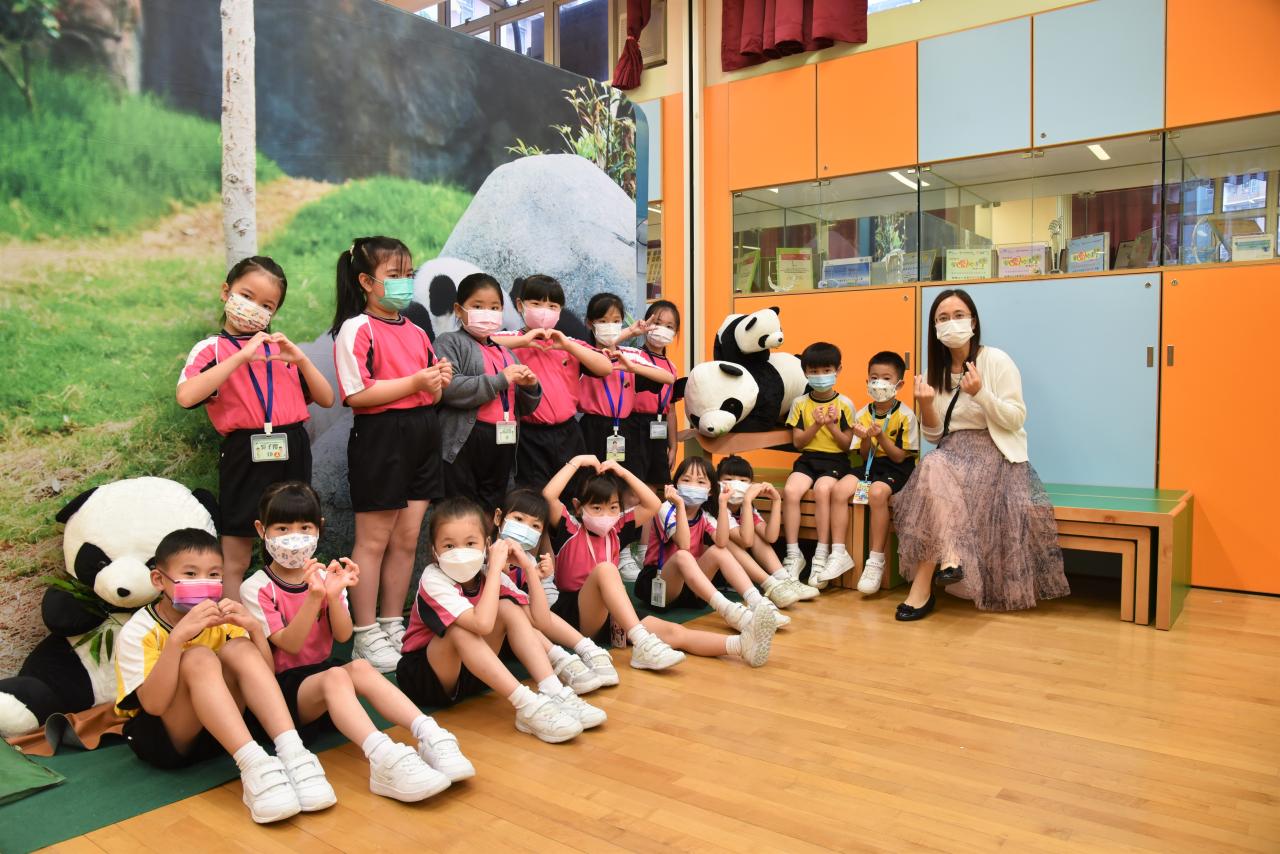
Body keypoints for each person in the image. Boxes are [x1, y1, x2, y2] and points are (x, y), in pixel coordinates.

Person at [240, 482, 475, 801]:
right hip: (282, 696)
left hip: (323, 680)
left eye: (304, 528)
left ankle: (430, 735)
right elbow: (290, 645)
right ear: (261, 530)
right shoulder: (256, 587)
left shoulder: (326, 576)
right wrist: (315, 598)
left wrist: (334, 595)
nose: (294, 537)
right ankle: (384, 758)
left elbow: (342, 635)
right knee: (336, 675)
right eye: (282, 528)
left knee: (361, 667)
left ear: (319, 528)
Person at [114, 528, 334, 824]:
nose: (203, 582)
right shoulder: (139, 631)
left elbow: (265, 680)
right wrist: (177, 640)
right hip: (168, 741)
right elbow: (153, 705)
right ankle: (255, 767)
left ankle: (295, 754)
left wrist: (254, 628)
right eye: (190, 574)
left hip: (222, 734)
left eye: (214, 574)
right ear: (158, 579)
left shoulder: (223, 619)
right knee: (198, 657)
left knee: (240, 647)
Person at [893, 289, 1068, 620]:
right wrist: (926, 405)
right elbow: (935, 436)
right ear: (934, 328)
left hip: (996, 456)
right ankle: (949, 558)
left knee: (933, 474)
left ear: (973, 322)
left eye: (959, 315)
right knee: (933, 464)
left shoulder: (996, 360)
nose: (952, 323)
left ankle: (923, 586)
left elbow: (1016, 418)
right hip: (950, 455)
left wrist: (981, 394)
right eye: (943, 318)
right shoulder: (934, 374)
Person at [177, 256, 335, 600]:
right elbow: (187, 396)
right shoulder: (211, 348)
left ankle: (289, 615)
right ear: (226, 292)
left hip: (292, 447)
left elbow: (325, 398)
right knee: (236, 550)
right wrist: (239, 356)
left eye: (267, 305)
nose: (254, 309)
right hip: (244, 451)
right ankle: (233, 622)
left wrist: (301, 359)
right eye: (247, 297)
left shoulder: (280, 351)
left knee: (294, 545)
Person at [331, 236, 452, 671]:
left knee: (406, 538)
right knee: (374, 540)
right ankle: (364, 633)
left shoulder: (418, 331)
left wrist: (438, 381)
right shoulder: (356, 328)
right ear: (366, 282)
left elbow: (432, 393)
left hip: (423, 435)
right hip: (381, 436)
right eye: (394, 275)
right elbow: (356, 393)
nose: (405, 283)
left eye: (409, 274)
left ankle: (391, 622)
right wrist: (417, 382)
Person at [395, 497, 601, 743]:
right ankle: (527, 706)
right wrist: (494, 568)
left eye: (470, 543)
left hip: (473, 672)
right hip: (427, 677)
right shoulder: (433, 579)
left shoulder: (488, 575)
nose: (460, 552)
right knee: (459, 629)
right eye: (449, 546)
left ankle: (554, 691)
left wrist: (528, 567)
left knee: (508, 608)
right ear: (434, 551)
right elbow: (481, 625)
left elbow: (541, 621)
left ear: (487, 545)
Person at [545, 457, 777, 668]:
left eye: (613, 507)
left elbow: (652, 503)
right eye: (597, 508)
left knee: (674, 632)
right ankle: (642, 643)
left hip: (613, 613)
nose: (606, 514)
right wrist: (577, 461)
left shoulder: (617, 529)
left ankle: (741, 645)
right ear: (578, 507)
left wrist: (622, 472)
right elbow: (548, 496)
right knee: (606, 570)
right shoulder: (570, 528)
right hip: (575, 613)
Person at [635, 457, 788, 630]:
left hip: (691, 586)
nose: (693, 486)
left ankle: (758, 603)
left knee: (719, 550)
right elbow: (684, 544)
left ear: (709, 491)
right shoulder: (666, 509)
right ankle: (728, 610)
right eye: (686, 480)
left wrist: (722, 504)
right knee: (683, 556)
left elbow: (722, 542)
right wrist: (679, 505)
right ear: (676, 485)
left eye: (701, 482)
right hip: (661, 585)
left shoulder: (705, 515)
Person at [434, 273, 542, 512]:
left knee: (493, 508)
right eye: (477, 306)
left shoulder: (505, 352)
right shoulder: (449, 342)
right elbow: (449, 388)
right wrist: (500, 380)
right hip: (465, 442)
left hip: (503, 440)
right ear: (458, 310)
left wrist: (530, 387)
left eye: (494, 307)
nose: (487, 313)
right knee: (460, 511)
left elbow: (523, 407)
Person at [493, 488, 618, 691]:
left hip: (527, 634)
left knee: (525, 608)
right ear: (499, 517)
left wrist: (533, 574)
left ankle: (588, 650)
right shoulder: (483, 557)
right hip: (496, 638)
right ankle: (562, 660)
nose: (525, 528)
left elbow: (542, 617)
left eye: (535, 526)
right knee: (515, 608)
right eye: (518, 519)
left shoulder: (528, 560)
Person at [498, 274, 615, 491]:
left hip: (568, 433)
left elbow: (605, 367)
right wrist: (523, 341)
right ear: (520, 305)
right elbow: (484, 344)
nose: (544, 311)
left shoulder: (569, 344)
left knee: (574, 492)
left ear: (560, 311)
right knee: (535, 497)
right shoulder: (511, 340)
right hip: (528, 436)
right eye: (536, 304)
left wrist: (568, 346)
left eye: (552, 306)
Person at [817, 351, 919, 592]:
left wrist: (880, 436)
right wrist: (865, 439)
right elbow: (864, 456)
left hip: (897, 467)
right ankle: (839, 553)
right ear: (867, 381)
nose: (878, 383)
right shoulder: (863, 413)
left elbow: (899, 456)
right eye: (874, 378)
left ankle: (875, 561)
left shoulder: (906, 416)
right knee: (839, 490)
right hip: (871, 466)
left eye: (886, 378)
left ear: (899, 384)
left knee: (877, 493)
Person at [781, 342, 857, 588]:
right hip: (808, 459)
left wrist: (831, 426)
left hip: (835, 460)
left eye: (826, 370)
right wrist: (815, 424)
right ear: (805, 372)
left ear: (838, 370)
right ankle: (793, 554)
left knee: (823, 490)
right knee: (791, 491)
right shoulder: (800, 404)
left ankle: (821, 554)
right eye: (814, 371)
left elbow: (847, 445)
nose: (820, 376)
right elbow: (799, 443)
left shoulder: (844, 404)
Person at [577, 293, 675, 481]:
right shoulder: (585, 353)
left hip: (624, 428)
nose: (610, 326)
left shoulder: (630, 354)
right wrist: (630, 332)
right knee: (590, 482)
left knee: (626, 485)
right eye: (603, 321)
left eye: (616, 321)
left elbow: (668, 378)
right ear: (590, 323)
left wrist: (632, 367)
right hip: (592, 428)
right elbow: (598, 354)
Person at [716, 455, 820, 607]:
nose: (736, 484)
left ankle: (785, 579)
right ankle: (771, 585)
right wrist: (747, 500)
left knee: (756, 535)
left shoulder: (746, 507)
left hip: (736, 565)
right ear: (718, 482)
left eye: (743, 481)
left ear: (751, 484)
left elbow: (770, 537)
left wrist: (776, 501)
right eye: (729, 479)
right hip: (715, 568)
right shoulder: (716, 507)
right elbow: (746, 541)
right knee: (729, 542)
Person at [627, 300, 681, 489]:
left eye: (669, 326)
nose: (662, 329)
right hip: (634, 426)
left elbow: (671, 410)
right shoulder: (633, 357)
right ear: (646, 323)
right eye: (657, 323)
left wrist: (673, 445)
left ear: (675, 332)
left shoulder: (672, 368)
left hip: (659, 428)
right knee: (633, 486)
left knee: (653, 485)